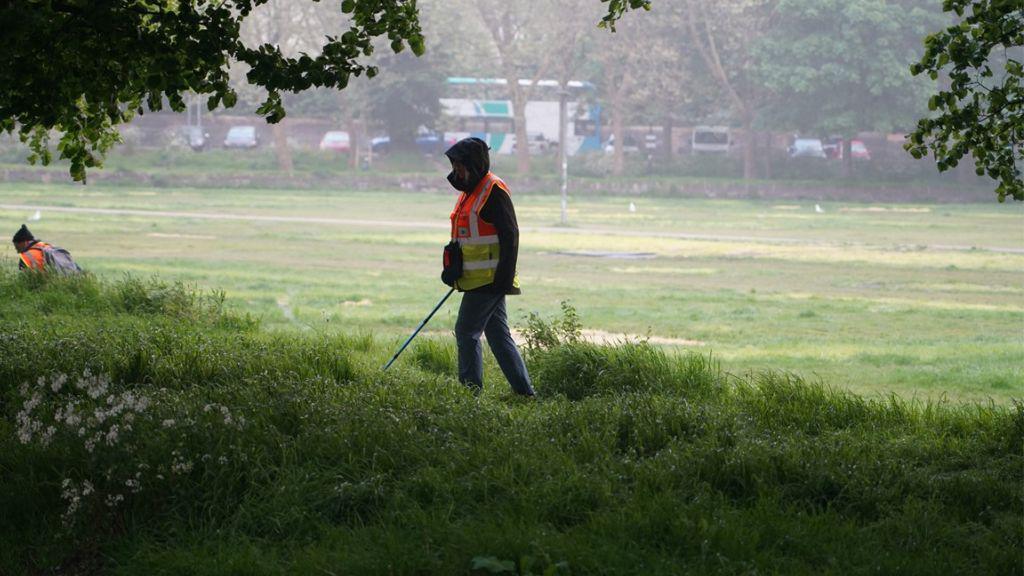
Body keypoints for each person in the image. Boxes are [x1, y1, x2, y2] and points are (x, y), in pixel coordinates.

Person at [444, 137, 535, 397]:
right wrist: (454, 266)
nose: (456, 171)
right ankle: (525, 393)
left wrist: (503, 279)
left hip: (491, 279)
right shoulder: (470, 190)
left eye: (459, 165)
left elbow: (511, 236)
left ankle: (469, 394)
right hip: (477, 278)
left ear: (473, 163)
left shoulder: (493, 190)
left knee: (465, 331)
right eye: (454, 165)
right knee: (497, 335)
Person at [12, 224, 82, 274]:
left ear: (25, 242)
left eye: (17, 247)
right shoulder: (46, 246)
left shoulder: (26, 256)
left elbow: (24, 279)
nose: (17, 250)